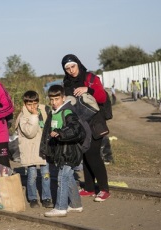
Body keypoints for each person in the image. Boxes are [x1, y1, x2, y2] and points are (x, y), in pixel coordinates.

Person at [61, 54, 111, 202]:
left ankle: (104, 189)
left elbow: (102, 98)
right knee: (84, 154)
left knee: (93, 155)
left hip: (95, 124)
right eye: (67, 68)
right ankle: (89, 187)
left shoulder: (90, 78)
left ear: (78, 64)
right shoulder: (67, 83)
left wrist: (87, 89)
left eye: (73, 66)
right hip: (80, 125)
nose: (71, 70)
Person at [40, 85, 84, 217]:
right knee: (68, 177)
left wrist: (61, 133)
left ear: (63, 98)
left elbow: (76, 129)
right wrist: (45, 149)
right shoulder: (53, 113)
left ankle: (60, 207)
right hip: (61, 152)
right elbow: (47, 132)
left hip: (69, 152)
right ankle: (76, 205)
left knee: (62, 178)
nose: (53, 102)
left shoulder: (67, 112)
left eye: (57, 99)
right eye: (51, 99)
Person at [16, 90, 53, 209]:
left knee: (45, 175)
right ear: (25, 104)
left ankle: (46, 198)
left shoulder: (44, 111)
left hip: (42, 149)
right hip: (30, 151)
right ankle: (32, 198)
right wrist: (34, 116)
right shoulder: (23, 117)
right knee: (32, 175)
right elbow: (30, 133)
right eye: (29, 104)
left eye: (35, 103)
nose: (32, 107)